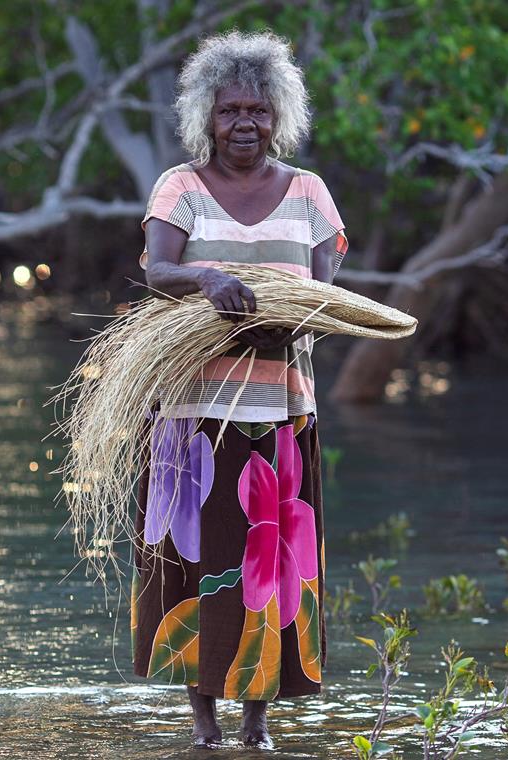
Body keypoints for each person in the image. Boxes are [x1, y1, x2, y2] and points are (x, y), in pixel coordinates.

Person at [130, 29, 347, 749]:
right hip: (192, 415)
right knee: (197, 568)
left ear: (278, 114)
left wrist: (286, 323)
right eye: (229, 111)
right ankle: (203, 726)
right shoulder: (180, 186)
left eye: (256, 109)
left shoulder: (310, 194)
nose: (244, 124)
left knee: (270, 571)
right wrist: (210, 278)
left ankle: (255, 724)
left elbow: (324, 293)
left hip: (280, 410)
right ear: (206, 117)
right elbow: (158, 273)